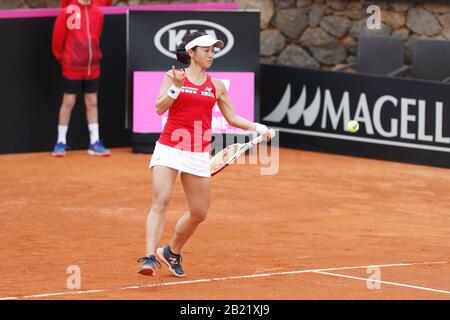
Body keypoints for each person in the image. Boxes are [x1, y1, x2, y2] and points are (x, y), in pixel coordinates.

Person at [137, 31, 272, 277]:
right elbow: (159, 108)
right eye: (206, 50)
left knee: (199, 213)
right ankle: (148, 258)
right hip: (169, 148)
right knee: (161, 200)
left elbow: (232, 118)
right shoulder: (173, 77)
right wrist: (176, 89)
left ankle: (171, 251)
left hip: (198, 154)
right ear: (191, 52)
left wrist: (259, 128)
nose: (211, 54)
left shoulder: (216, 86)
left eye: (213, 50)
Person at [51, 0, 110, 157]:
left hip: (93, 66)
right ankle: (61, 142)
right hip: (72, 66)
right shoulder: (67, 11)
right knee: (69, 101)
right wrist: (64, 58)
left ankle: (94, 142)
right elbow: (57, 38)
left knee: (92, 101)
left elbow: (96, 36)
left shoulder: (98, 12)